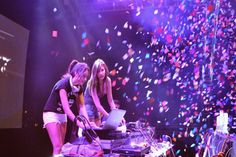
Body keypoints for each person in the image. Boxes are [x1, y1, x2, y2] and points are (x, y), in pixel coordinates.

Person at [43, 60, 92, 157]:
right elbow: (66, 109)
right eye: (84, 76)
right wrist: (79, 123)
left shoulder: (79, 88)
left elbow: (82, 107)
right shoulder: (63, 84)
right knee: (57, 146)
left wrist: (87, 122)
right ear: (77, 73)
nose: (85, 79)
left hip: (62, 116)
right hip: (51, 114)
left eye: (86, 77)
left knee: (61, 147)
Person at [84, 58, 124, 127]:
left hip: (96, 106)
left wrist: (116, 116)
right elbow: (98, 105)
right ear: (95, 73)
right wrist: (109, 117)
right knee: (93, 130)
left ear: (105, 69)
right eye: (98, 71)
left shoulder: (108, 80)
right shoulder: (92, 83)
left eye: (102, 70)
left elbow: (110, 101)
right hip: (88, 105)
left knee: (98, 130)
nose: (101, 73)